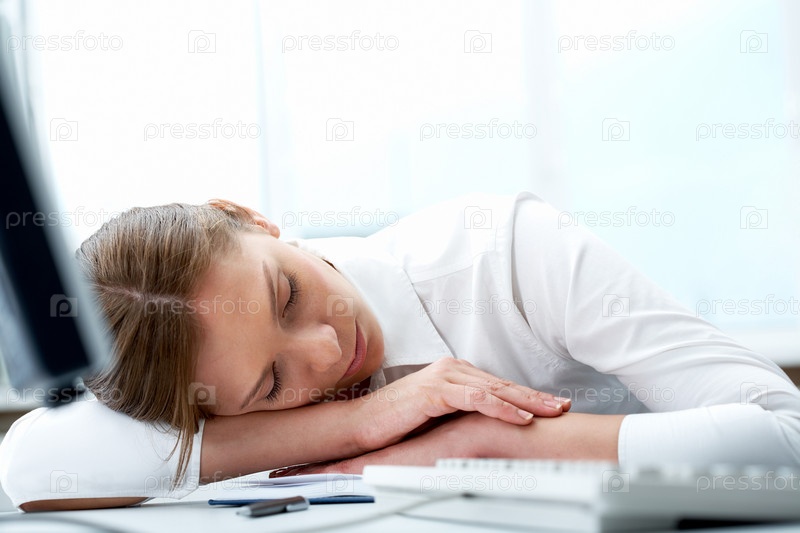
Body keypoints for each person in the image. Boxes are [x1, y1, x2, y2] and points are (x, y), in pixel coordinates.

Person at [1, 192, 799, 511]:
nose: (326, 349)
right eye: (272, 382)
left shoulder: (505, 258)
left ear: (251, 218)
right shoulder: (238, 398)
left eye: (287, 294)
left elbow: (786, 439)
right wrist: (361, 423)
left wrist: (491, 439)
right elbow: (31, 464)